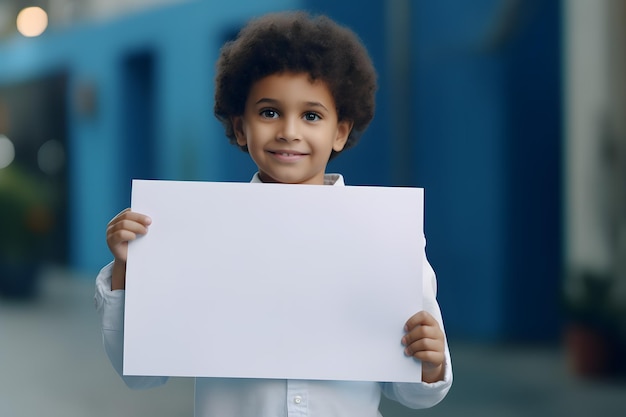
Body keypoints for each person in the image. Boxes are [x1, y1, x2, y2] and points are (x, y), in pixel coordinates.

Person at [95, 11, 452, 416]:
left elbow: (415, 393)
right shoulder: (195, 236)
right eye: (268, 112)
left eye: (312, 116)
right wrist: (127, 268)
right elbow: (140, 373)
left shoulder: (387, 238)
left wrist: (431, 361)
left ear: (340, 130)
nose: (289, 131)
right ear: (240, 126)